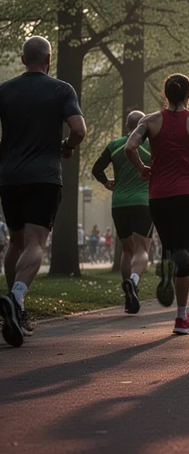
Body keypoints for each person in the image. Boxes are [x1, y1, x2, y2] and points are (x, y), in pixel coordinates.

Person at [0, 37, 86, 347]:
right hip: (44, 176)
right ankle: (17, 296)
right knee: (36, 242)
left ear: (23, 60)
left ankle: (16, 311)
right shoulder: (61, 89)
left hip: (9, 177)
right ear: (48, 60)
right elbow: (78, 129)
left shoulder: (4, 90)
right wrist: (67, 148)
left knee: (16, 241)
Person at [126, 73, 189, 336]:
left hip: (159, 194)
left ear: (165, 95)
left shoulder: (149, 121)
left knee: (169, 244)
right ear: (188, 94)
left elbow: (130, 147)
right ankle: (181, 318)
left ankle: (167, 262)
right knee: (184, 250)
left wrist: (143, 168)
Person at [92, 110, 154, 314]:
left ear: (127, 125)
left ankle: (128, 296)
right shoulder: (151, 145)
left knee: (127, 250)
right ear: (143, 127)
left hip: (119, 203)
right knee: (143, 250)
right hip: (143, 202)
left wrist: (106, 182)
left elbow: (97, 169)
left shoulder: (114, 145)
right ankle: (133, 284)